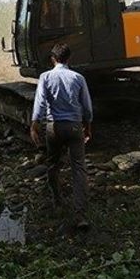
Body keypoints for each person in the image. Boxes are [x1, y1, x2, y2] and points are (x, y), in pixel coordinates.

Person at [30, 43, 94, 230]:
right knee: (79, 168)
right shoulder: (78, 78)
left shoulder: (45, 77)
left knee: (53, 164)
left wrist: (35, 124)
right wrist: (87, 126)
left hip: (53, 128)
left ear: (53, 59)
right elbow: (87, 107)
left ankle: (57, 201)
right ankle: (80, 214)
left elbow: (40, 102)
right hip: (74, 127)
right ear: (69, 59)